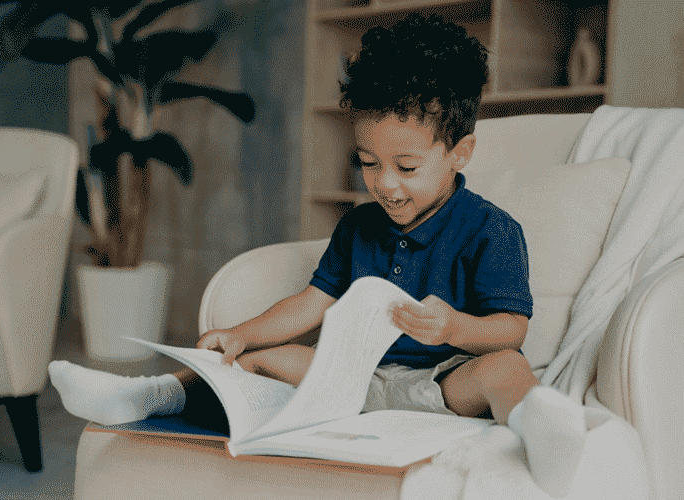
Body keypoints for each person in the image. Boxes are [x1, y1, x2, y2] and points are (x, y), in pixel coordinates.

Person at [50, 13, 586, 498]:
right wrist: (244, 335)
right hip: (352, 379)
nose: (385, 185)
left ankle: (542, 434)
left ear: (459, 152)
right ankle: (144, 398)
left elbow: (511, 328)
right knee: (256, 361)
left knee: (506, 368)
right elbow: (311, 301)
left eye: (406, 166)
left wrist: (453, 328)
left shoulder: (490, 229)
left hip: (444, 382)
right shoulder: (358, 226)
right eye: (369, 163)